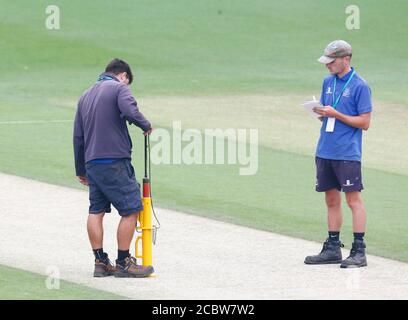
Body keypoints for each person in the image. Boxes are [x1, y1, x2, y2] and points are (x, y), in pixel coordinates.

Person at [73, 58, 154, 277]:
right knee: (132, 208)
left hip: (93, 164)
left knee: (96, 210)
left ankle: (100, 262)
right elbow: (130, 110)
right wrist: (145, 125)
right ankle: (123, 262)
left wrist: (81, 169)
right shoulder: (119, 88)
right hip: (114, 161)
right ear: (123, 76)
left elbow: (78, 137)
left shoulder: (85, 96)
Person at [304, 40, 372, 268]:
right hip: (325, 149)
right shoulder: (328, 82)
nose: (328, 66)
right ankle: (333, 248)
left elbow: (365, 122)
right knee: (330, 199)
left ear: (346, 59)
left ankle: (359, 251)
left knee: (353, 200)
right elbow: (329, 114)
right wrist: (321, 113)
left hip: (347, 153)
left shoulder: (361, 86)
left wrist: (337, 114)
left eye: (331, 62)